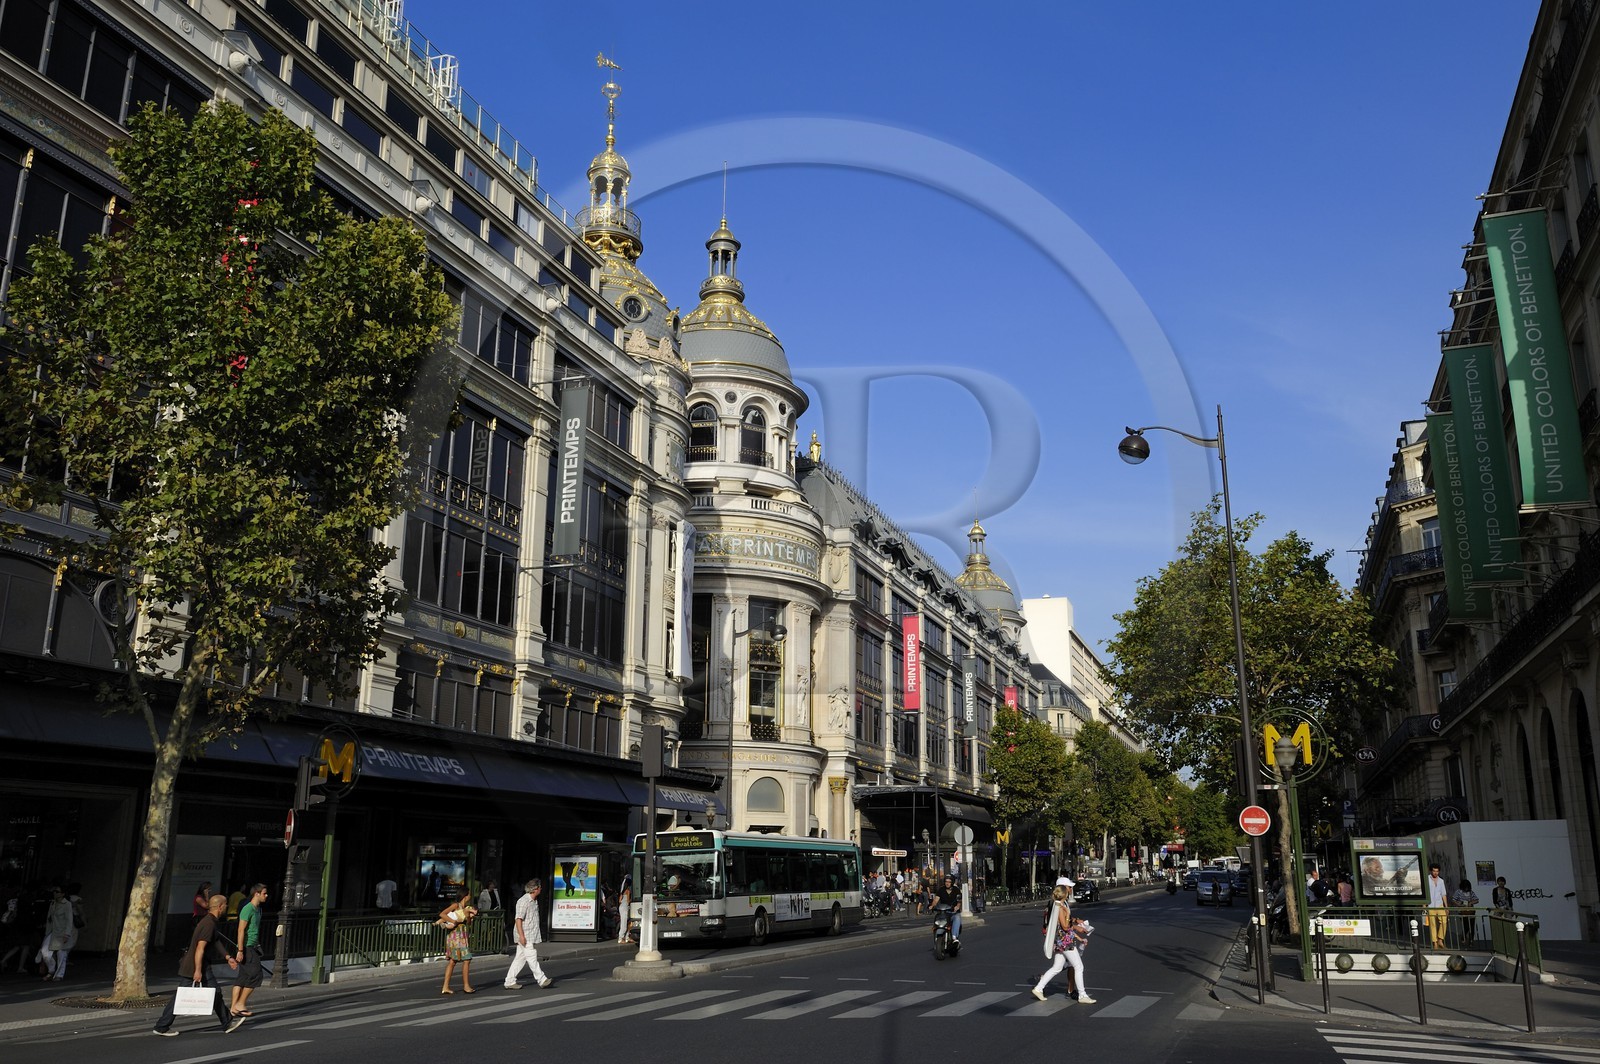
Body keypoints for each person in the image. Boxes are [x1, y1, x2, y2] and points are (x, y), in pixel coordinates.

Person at [152, 893, 246, 1036]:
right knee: (213, 992)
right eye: (225, 904)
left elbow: (215, 941)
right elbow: (200, 948)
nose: (227, 906)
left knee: (183, 996)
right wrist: (197, 970)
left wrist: (227, 957)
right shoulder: (208, 924)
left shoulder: (210, 921)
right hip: (197, 966)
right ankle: (227, 1022)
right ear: (220, 906)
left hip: (198, 965)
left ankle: (162, 1026)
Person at [1032, 878, 1094, 1004]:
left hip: (1062, 940)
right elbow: (1064, 926)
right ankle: (1082, 995)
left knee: (1057, 967)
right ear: (1063, 891)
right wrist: (1073, 923)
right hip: (1065, 941)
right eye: (1068, 888)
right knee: (1079, 966)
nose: (1070, 890)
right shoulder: (1059, 907)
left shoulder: (1062, 905)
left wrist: (1074, 921)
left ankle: (1038, 988)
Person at [503, 878, 553, 989]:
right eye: (540, 887)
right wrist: (521, 936)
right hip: (525, 934)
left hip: (530, 933)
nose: (541, 889)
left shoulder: (534, 901)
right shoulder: (523, 901)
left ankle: (509, 981)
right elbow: (518, 919)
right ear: (535, 889)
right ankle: (541, 979)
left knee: (520, 959)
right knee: (531, 956)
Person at [230, 884, 268, 1017]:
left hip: (253, 946)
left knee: (243, 976)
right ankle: (240, 1003)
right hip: (246, 947)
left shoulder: (258, 909)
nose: (266, 895)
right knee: (256, 975)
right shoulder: (248, 909)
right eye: (264, 893)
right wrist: (240, 950)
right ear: (256, 894)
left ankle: (234, 1007)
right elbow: (241, 930)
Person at [437, 891, 477, 994]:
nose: (470, 897)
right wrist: (453, 921)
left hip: (462, 935)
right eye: (469, 895)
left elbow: (468, 923)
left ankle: (446, 986)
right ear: (465, 896)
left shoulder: (467, 908)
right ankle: (466, 986)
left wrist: (468, 916)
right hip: (455, 935)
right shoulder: (456, 905)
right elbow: (442, 914)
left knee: (453, 961)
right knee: (466, 959)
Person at [930, 873, 962, 943]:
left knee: (957, 917)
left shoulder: (956, 890)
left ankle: (954, 937)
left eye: (949, 882)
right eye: (946, 881)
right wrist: (932, 906)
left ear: (952, 882)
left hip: (953, 912)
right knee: (937, 919)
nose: (947, 883)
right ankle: (936, 934)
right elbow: (936, 899)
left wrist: (957, 907)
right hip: (943, 913)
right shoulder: (941, 890)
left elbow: (959, 901)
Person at [1450, 877, 1480, 948]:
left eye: (1467, 887)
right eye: (1465, 887)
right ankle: (1463, 936)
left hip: (1471, 911)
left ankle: (1471, 941)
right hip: (1462, 912)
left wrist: (1471, 902)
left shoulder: (1471, 892)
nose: (1466, 889)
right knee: (1466, 925)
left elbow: (1477, 900)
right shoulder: (1458, 892)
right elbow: (1453, 900)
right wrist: (1459, 904)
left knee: (1472, 926)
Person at [1425, 863, 1449, 949]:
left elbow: (1443, 894)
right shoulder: (1427, 879)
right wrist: (1424, 905)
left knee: (1444, 921)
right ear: (1431, 871)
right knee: (1432, 924)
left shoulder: (1441, 881)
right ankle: (1434, 942)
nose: (1435, 873)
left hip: (1439, 904)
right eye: (1434, 871)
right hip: (1430, 905)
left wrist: (1446, 906)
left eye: (1437, 871)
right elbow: (1425, 893)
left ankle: (1440, 939)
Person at [616, 874, 635, 944]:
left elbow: (619, 901)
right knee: (625, 923)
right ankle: (621, 938)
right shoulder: (628, 891)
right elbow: (628, 901)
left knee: (626, 922)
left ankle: (626, 937)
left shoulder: (621, 892)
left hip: (621, 907)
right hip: (625, 907)